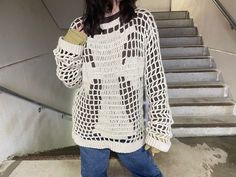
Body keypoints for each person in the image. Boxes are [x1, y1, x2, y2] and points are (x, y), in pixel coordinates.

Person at [52, 0, 174, 176]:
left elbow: (155, 78)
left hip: (128, 128)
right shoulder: (81, 26)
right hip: (89, 127)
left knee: (149, 173)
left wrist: (158, 126)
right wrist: (70, 46)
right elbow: (72, 81)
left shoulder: (142, 20)